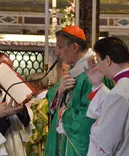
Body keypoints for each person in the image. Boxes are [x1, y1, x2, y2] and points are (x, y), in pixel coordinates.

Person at [44, 26, 114, 156]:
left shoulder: (93, 73)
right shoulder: (75, 70)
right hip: (65, 142)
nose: (58, 53)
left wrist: (63, 115)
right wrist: (59, 91)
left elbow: (91, 118)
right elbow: (51, 96)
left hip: (80, 146)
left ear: (74, 47)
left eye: (60, 47)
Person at [25, 72, 49, 155]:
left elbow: (39, 128)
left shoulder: (43, 103)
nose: (27, 88)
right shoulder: (48, 97)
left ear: (38, 86)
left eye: (29, 85)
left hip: (40, 145)